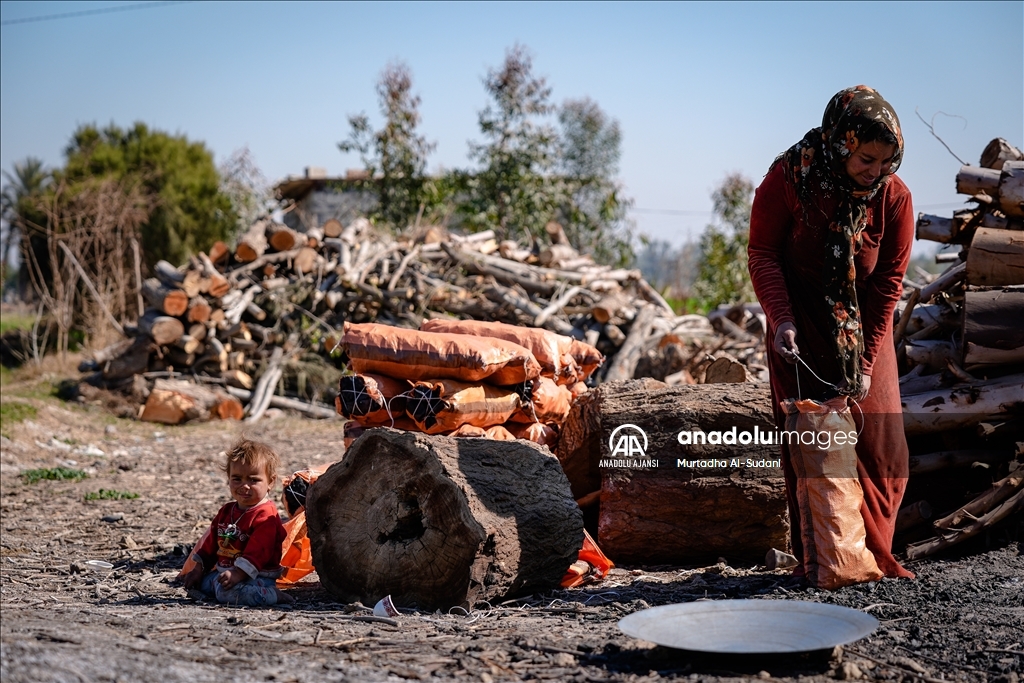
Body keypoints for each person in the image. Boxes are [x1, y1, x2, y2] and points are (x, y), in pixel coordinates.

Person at [747, 85, 915, 580]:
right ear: (840, 144)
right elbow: (763, 254)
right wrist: (782, 319)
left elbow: (887, 283)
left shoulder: (894, 198)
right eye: (866, 158)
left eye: (887, 161)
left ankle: (871, 559)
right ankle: (820, 561)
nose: (876, 171)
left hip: (862, 330)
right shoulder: (789, 178)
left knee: (885, 452)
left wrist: (864, 364)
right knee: (809, 449)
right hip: (796, 327)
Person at [181, 438, 293, 605]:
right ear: (228, 478)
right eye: (237, 479)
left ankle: (273, 595)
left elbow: (259, 551)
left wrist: (238, 574)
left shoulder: (266, 515)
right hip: (227, 573)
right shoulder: (227, 511)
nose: (244, 486)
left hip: (256, 576)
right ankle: (219, 587)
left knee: (227, 594)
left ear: (270, 482)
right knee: (202, 583)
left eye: (253, 480)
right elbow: (211, 542)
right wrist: (198, 568)